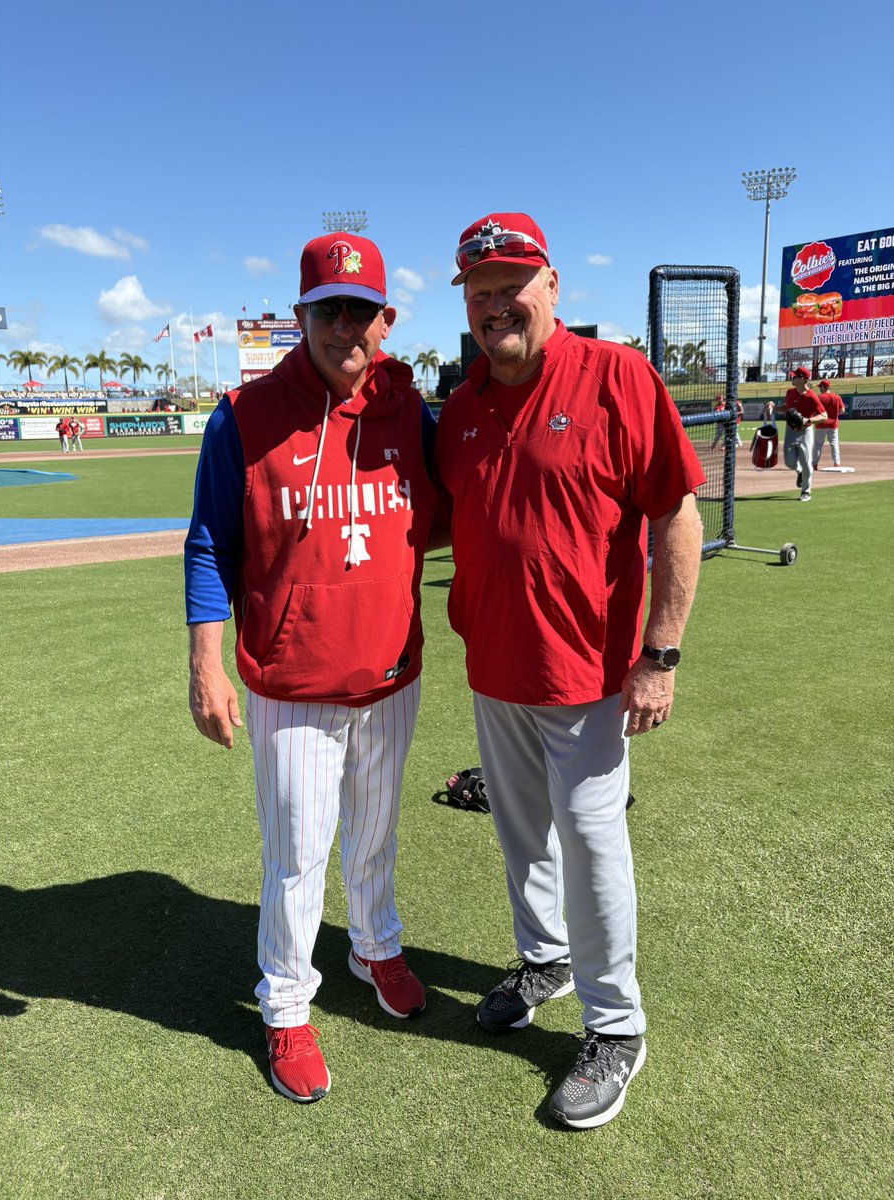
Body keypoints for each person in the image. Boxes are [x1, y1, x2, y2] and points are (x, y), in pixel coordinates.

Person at [434, 212, 705, 1130]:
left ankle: (616, 1027)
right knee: (521, 838)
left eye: (512, 284)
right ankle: (543, 959)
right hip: (493, 666)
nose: (495, 303)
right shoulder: (463, 406)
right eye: (479, 291)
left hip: (588, 673)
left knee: (592, 848)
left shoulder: (618, 376)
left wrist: (659, 656)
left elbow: (674, 516)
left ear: (553, 287)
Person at [185, 231, 440, 1105]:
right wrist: (205, 667)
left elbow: (452, 511)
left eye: (360, 311)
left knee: (375, 832)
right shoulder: (244, 414)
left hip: (390, 672)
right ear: (300, 317)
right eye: (327, 309)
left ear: (385, 320)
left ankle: (375, 948)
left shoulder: (410, 410)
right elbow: (209, 544)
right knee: (297, 854)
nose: (345, 326)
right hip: (290, 681)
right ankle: (286, 1004)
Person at [783, 367, 826, 501]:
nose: (792, 378)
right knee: (789, 462)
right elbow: (786, 408)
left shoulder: (811, 396)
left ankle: (806, 492)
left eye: (795, 376)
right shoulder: (790, 393)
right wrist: (773, 408)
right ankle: (799, 472)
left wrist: (809, 420)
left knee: (807, 463)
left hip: (805, 431)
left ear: (802, 379)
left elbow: (824, 415)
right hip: (790, 430)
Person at [812, 379, 844, 468]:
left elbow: (814, 411)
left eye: (820, 387)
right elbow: (842, 410)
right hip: (833, 424)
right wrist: (834, 415)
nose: (819, 388)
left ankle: (814, 464)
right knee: (834, 444)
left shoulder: (818, 397)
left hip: (820, 424)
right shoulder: (837, 397)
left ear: (823, 387)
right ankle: (836, 463)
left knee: (818, 445)